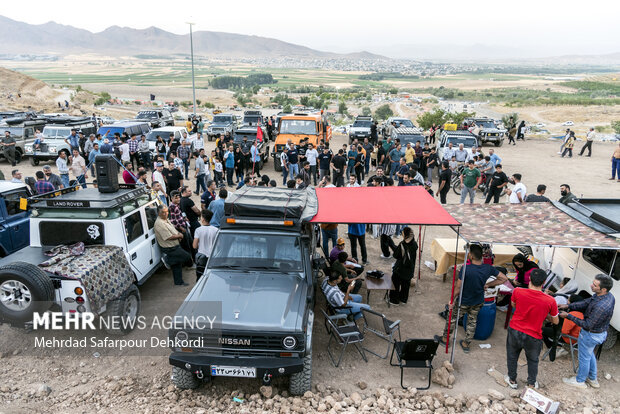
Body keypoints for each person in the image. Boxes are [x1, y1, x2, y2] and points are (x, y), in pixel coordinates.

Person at [435, 244, 507, 353]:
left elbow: (458, 287)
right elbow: (503, 278)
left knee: (452, 319)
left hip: (463, 301)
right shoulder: (488, 268)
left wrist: (451, 300)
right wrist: (488, 284)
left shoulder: (466, 268)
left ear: (471, 256)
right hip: (478, 301)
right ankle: (466, 344)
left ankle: (445, 339)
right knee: (472, 322)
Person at [505, 269, 559, 389]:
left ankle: (512, 380)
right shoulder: (550, 301)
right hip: (534, 335)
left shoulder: (518, 291)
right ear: (544, 282)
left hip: (515, 330)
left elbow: (514, 304)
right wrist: (544, 314)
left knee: (512, 356)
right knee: (533, 360)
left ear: (529, 279)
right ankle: (531, 383)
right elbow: (555, 321)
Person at [561, 274, 615, 389]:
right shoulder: (608, 296)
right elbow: (587, 302)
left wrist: (569, 316)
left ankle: (580, 381)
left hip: (591, 334)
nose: (591, 286)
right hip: (599, 333)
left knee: (584, 358)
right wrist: (568, 306)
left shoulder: (601, 307)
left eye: (595, 285)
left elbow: (588, 325)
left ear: (603, 289)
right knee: (589, 355)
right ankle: (592, 379)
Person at [154, 205, 192, 286]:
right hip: (170, 248)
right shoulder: (159, 223)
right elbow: (168, 237)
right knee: (187, 257)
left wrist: (178, 234)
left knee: (177, 264)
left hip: (175, 245)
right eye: (163, 212)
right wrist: (180, 236)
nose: (165, 214)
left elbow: (173, 230)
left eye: (166, 212)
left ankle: (179, 282)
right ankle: (168, 260)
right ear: (158, 213)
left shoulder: (166, 220)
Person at [388, 227, 418, 306]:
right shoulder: (414, 244)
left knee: (395, 283)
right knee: (406, 285)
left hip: (400, 269)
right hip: (410, 269)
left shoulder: (403, 244)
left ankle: (394, 300)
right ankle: (403, 299)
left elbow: (396, 255)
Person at [192, 209, 218, 281]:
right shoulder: (216, 230)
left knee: (200, 277)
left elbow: (194, 246)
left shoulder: (198, 230)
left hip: (202, 258)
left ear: (203, 219)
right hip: (213, 257)